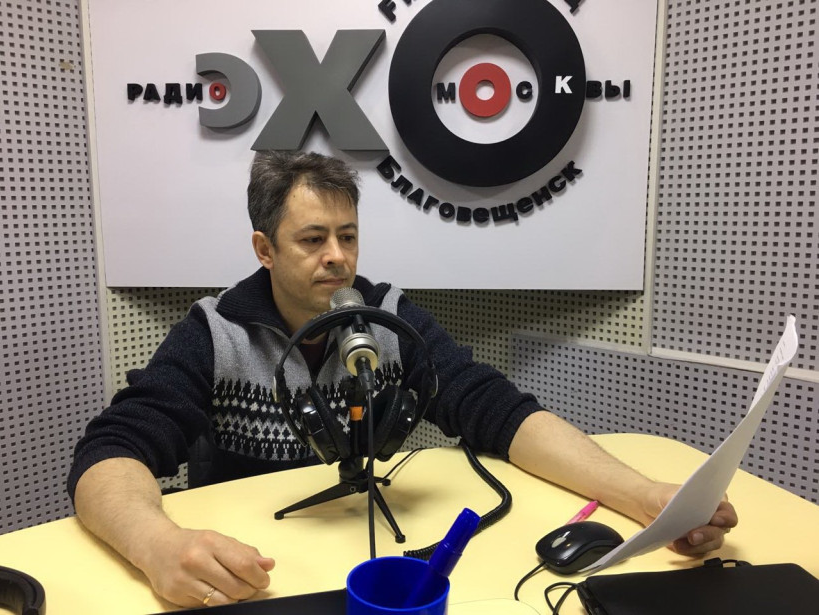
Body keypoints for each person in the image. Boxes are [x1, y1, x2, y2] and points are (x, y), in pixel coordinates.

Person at [68, 151, 737, 608]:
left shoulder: (388, 317)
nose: (338, 258)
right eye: (312, 240)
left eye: (348, 236)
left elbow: (496, 408)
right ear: (264, 249)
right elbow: (110, 451)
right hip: (256, 576)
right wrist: (157, 545)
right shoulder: (214, 331)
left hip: (367, 566)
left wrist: (647, 497)